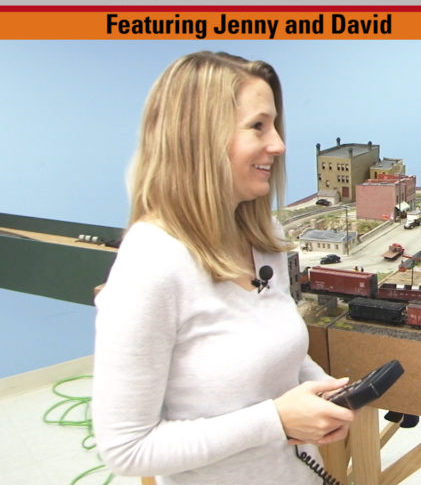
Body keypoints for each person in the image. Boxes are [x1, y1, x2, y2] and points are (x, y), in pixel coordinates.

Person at [93, 51, 355, 484]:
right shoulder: (151, 264)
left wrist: (325, 388)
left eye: (274, 125)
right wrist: (275, 420)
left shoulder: (261, 235)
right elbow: (127, 450)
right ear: (198, 138)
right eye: (257, 126)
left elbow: (275, 349)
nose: (278, 144)